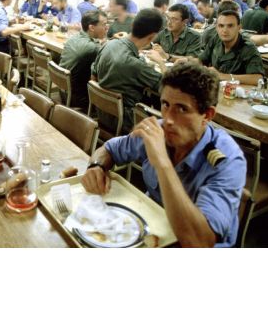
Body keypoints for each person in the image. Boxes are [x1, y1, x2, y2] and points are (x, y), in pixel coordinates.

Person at [82, 62, 246, 247]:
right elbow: (110, 149)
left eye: (182, 109)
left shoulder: (228, 161)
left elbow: (199, 242)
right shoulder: (158, 130)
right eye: (165, 104)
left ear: (207, 115)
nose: (168, 119)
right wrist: (96, 166)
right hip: (153, 227)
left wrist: (162, 163)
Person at [91, 9, 167, 133]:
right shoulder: (135, 65)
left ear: (132, 25)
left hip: (102, 112)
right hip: (126, 121)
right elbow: (167, 87)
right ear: (152, 37)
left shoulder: (109, 44)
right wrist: (161, 62)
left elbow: (93, 73)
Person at [195, 10, 265, 85]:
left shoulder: (248, 48)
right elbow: (201, 60)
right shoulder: (216, 39)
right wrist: (186, 62)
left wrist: (222, 76)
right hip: (215, 88)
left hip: (236, 92)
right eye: (221, 26)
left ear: (239, 28)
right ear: (216, 28)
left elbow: (258, 78)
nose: (225, 30)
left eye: (230, 26)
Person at [59, 10, 107, 109]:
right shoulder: (92, 48)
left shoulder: (74, 37)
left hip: (64, 91)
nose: (107, 27)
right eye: (104, 24)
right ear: (92, 27)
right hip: (78, 98)